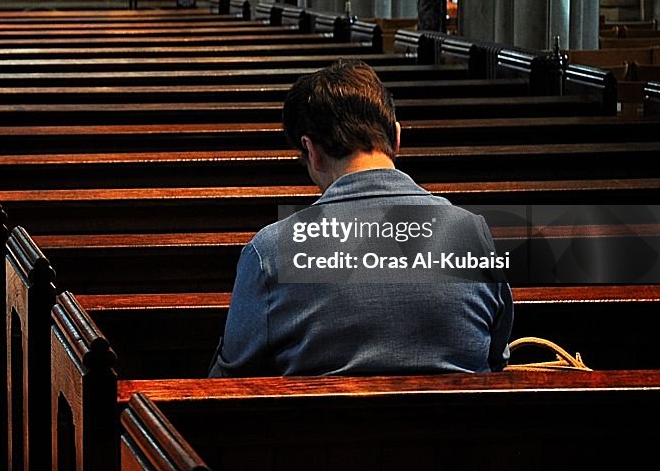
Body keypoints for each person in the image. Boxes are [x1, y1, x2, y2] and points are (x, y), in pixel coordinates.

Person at [208, 59, 513, 377]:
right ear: (396, 138)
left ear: (311, 151)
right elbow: (494, 359)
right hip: (459, 426)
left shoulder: (271, 250)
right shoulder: (471, 231)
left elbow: (231, 378)